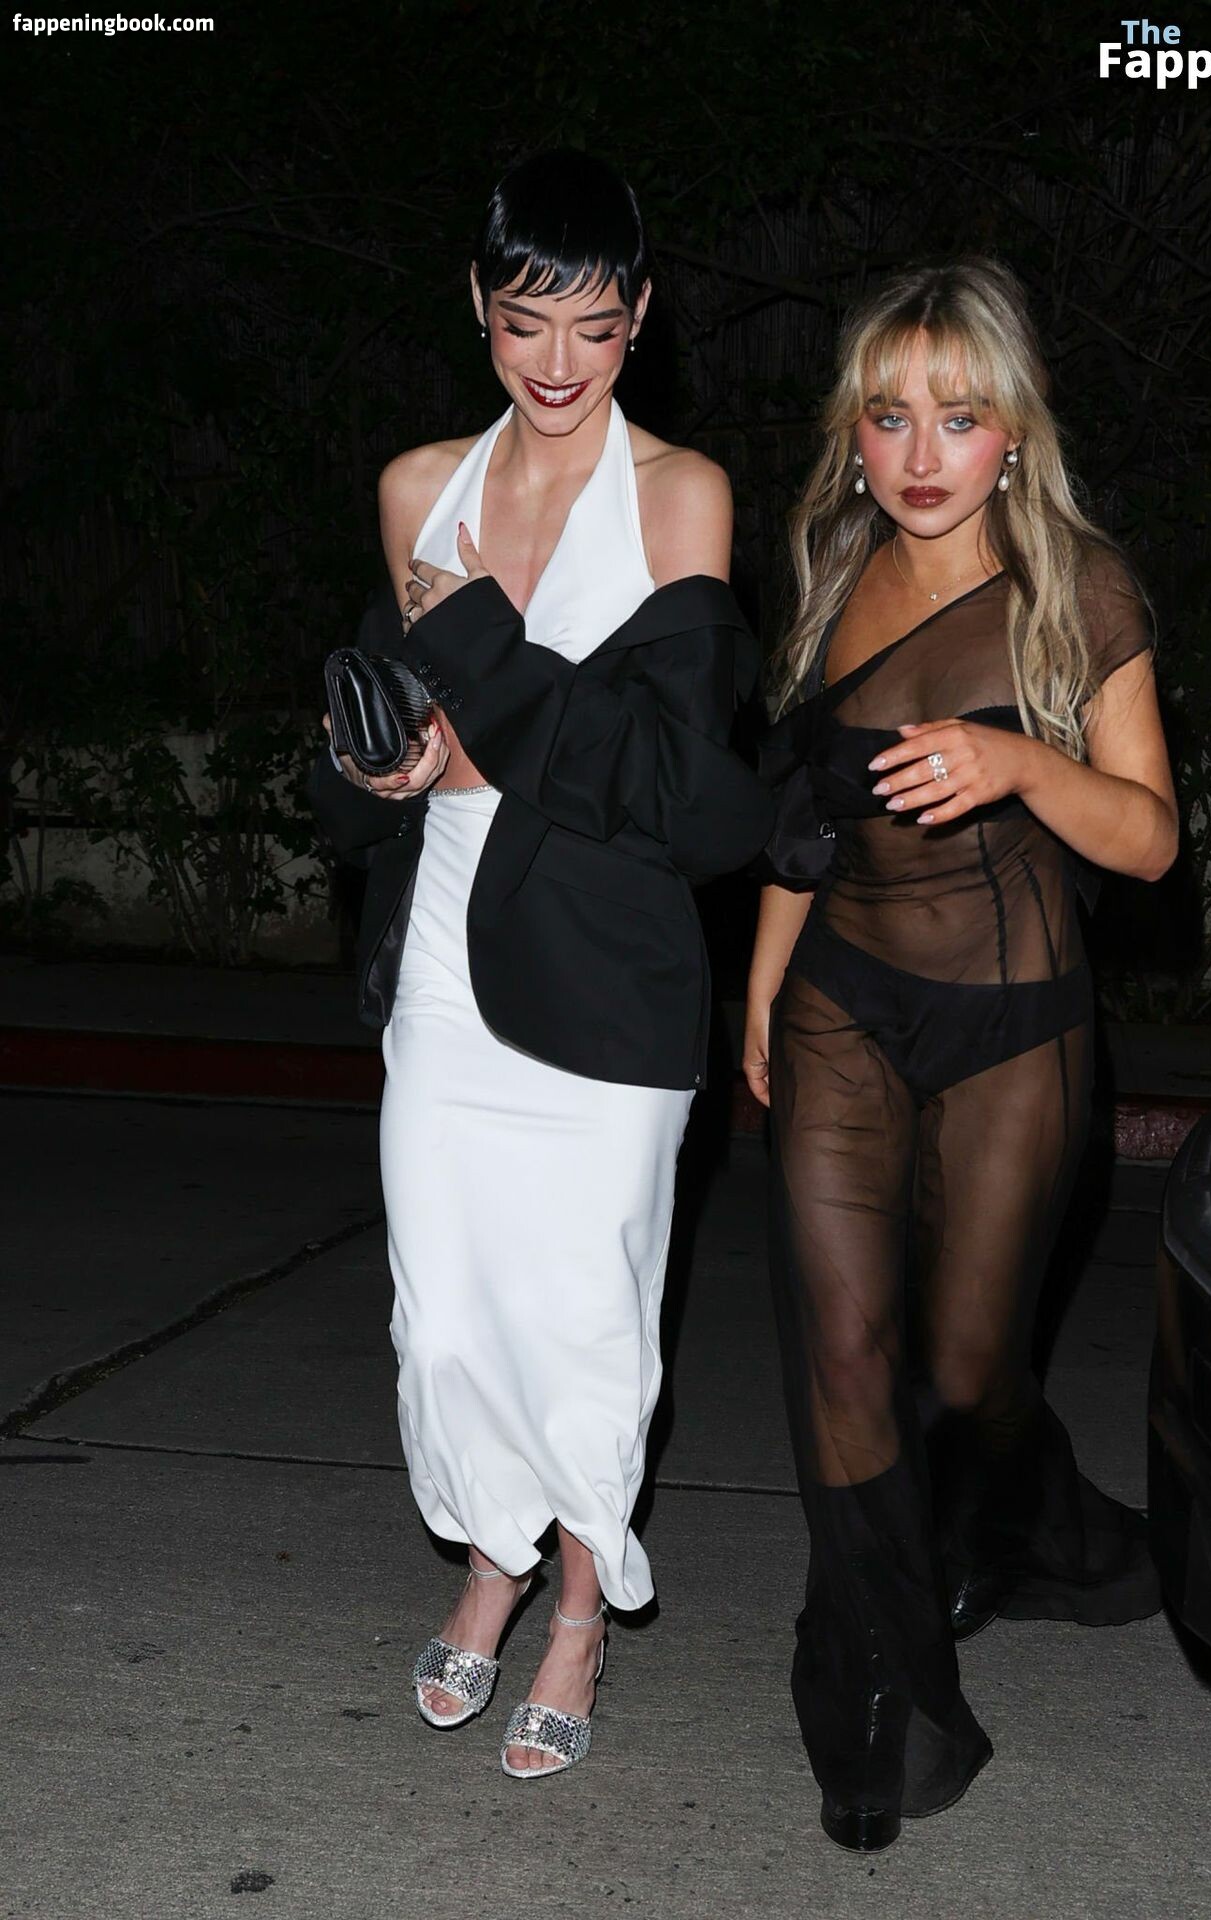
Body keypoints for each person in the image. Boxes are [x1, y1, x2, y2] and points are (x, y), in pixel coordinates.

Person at [310, 151, 773, 1780]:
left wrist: (475, 656)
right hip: (445, 952)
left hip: (614, 974)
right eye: (524, 323)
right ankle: (490, 1556)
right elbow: (390, 743)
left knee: (584, 1323)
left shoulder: (682, 495)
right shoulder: (415, 489)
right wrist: (378, 768)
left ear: (640, 313)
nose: (558, 362)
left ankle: (574, 1607)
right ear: (479, 310)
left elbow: (676, 793)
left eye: (592, 324)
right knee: (444, 1314)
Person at [743, 258, 1178, 1851]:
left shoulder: (1076, 590)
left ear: (1013, 433)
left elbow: (1147, 840)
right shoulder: (833, 566)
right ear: (851, 434)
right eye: (886, 416)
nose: (918, 453)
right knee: (844, 1356)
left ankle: (1033, 1527)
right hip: (841, 1002)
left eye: (956, 416)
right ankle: (880, 1703)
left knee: (968, 1370)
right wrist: (760, 988)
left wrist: (1019, 764)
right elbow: (807, 818)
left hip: (1013, 1020)